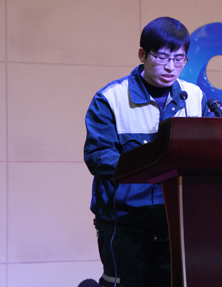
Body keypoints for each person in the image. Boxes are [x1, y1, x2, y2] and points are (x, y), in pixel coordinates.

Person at [84, 17, 213, 287]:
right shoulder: (111, 98)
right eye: (162, 57)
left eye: (179, 59)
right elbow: (99, 157)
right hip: (125, 222)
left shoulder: (195, 97)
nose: (170, 67)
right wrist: (154, 166)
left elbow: (211, 151)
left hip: (174, 220)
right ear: (142, 54)